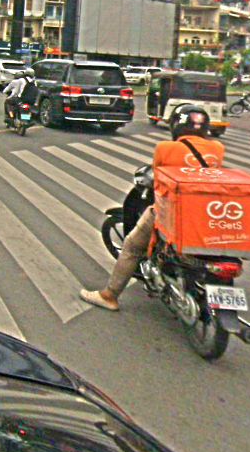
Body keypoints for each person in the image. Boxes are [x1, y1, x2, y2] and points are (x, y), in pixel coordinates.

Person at [80, 105, 225, 311]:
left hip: (172, 213)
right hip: (207, 212)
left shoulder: (165, 148)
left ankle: (109, 296)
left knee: (132, 247)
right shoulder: (218, 148)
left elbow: (158, 180)